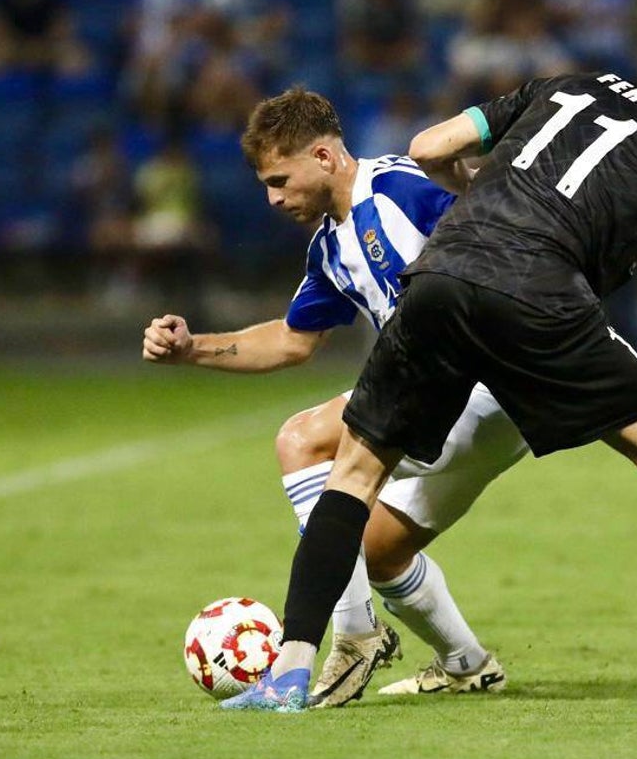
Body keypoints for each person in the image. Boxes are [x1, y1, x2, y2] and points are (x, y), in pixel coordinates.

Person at [224, 37, 637, 713]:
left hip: (441, 276)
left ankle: (291, 672)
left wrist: (480, 199)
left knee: (352, 474)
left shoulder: (565, 86)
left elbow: (429, 147)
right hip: (540, 294)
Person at [142, 88, 529, 707]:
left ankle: (353, 637)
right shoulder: (329, 244)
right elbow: (293, 341)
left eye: (279, 179)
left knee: (302, 439)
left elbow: (497, 228)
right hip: (485, 413)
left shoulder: (401, 189)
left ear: (323, 156)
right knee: (375, 550)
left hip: (480, 380)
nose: (273, 199)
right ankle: (467, 664)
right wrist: (193, 348)